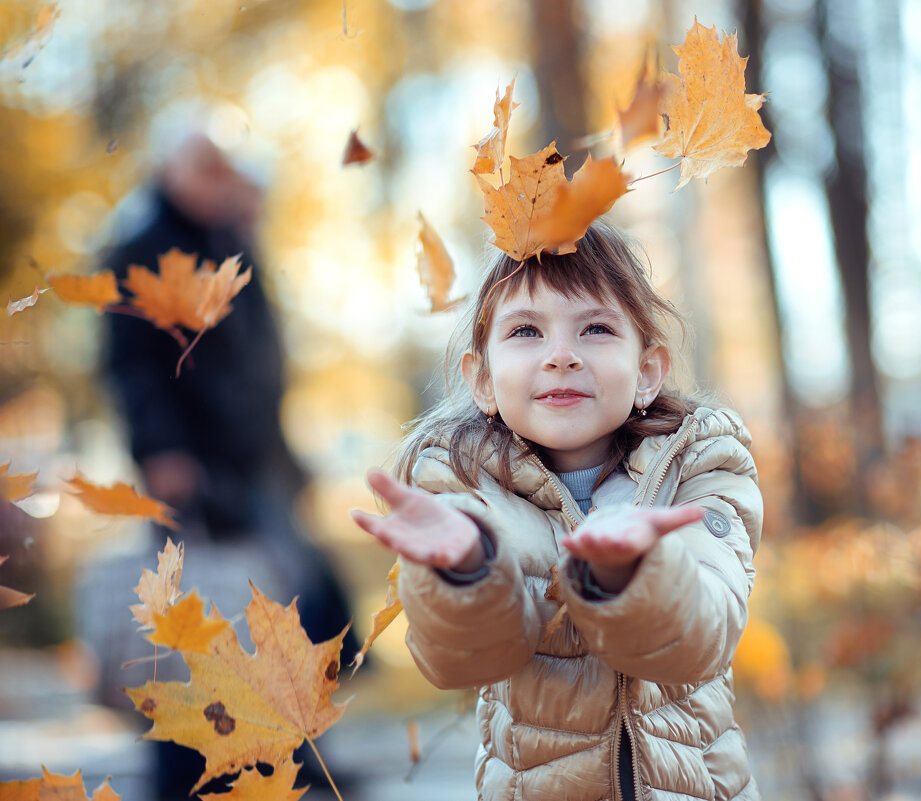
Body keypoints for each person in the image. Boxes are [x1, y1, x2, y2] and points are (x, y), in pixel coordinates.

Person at [351, 222, 764, 801]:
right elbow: (465, 659)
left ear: (647, 372)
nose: (562, 356)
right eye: (526, 331)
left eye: (595, 328)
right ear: (483, 380)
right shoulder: (465, 492)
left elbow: (703, 638)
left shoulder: (702, 469)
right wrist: (466, 566)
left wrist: (630, 572)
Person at [98, 132, 358, 799]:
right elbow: (132, 365)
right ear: (168, 169)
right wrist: (160, 450)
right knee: (200, 627)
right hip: (192, 466)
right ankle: (189, 774)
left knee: (284, 610)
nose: (220, 182)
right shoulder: (142, 248)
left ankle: (284, 758)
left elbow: (255, 364)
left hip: (252, 463)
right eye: (207, 170)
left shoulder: (225, 242)